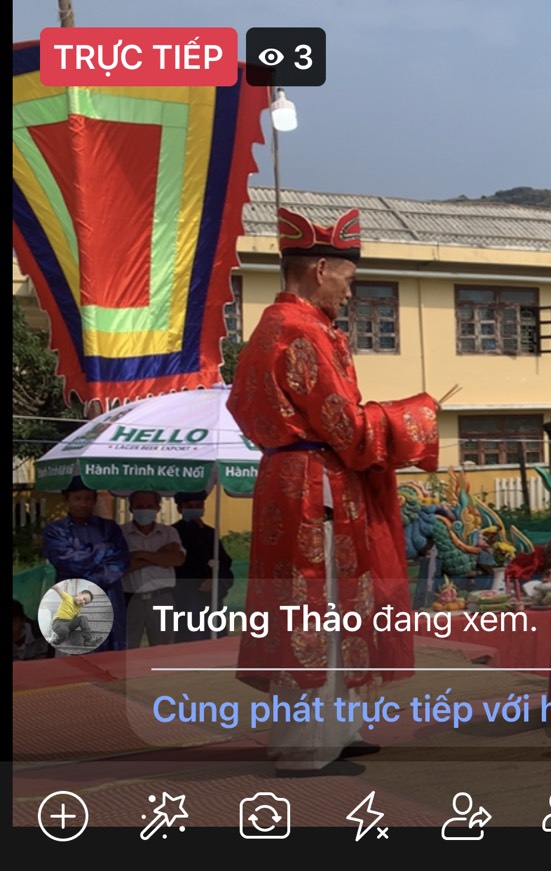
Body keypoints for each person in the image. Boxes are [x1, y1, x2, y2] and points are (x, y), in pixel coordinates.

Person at [229, 206, 441, 777]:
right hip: (312, 493)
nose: (351, 291)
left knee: (327, 608)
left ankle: (335, 730)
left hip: (292, 480)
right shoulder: (301, 333)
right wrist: (417, 416)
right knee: (318, 609)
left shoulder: (278, 327)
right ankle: (305, 748)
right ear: (320, 267)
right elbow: (348, 429)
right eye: (348, 278)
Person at [41, 480, 129, 652]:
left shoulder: (109, 528)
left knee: (112, 654)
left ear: (95, 500)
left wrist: (90, 567)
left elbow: (121, 561)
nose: (83, 504)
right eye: (77, 498)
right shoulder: (55, 531)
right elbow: (69, 563)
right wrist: (103, 550)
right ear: (66, 500)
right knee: (74, 656)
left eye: (88, 498)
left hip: (109, 596)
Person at [122, 490, 185, 648]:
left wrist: (139, 555)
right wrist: (159, 556)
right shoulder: (120, 533)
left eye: (149, 506)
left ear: (157, 508)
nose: (144, 509)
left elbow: (177, 559)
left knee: (163, 651)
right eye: (140, 506)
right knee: (126, 649)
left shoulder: (169, 533)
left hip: (162, 598)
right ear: (131, 508)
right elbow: (121, 567)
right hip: (130, 600)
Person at [171, 492, 236, 641]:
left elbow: (225, 564)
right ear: (180, 508)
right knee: (187, 643)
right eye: (189, 506)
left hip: (211, 600)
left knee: (214, 646)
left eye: (198, 506)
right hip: (184, 599)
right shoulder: (172, 533)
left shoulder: (210, 533)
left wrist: (216, 581)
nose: (194, 510)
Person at [46, 583, 96, 648]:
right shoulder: (67, 598)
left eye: (85, 603)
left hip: (69, 624)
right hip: (58, 622)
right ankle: (57, 640)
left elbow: (75, 619)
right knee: (64, 630)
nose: (83, 602)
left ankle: (87, 640)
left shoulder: (79, 609)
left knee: (83, 618)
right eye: (84, 598)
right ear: (79, 593)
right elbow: (57, 588)